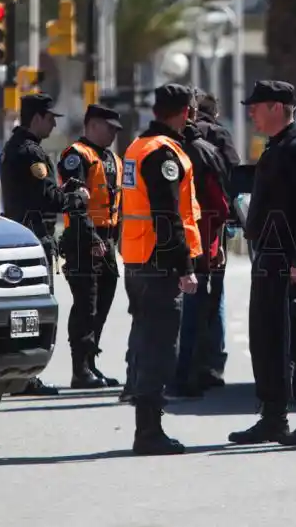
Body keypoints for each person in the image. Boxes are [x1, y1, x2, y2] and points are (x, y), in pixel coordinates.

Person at [228, 80, 296, 446]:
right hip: (270, 261)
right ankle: (274, 419)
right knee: (269, 343)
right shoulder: (277, 148)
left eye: (255, 107)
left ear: (276, 107)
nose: (250, 113)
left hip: (294, 265)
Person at [120, 83, 202, 455]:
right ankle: (149, 432)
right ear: (184, 112)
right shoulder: (163, 154)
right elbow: (167, 215)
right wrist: (184, 266)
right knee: (159, 346)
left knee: (144, 340)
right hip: (159, 262)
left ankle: (146, 426)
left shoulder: (138, 147)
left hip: (138, 258)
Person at [1, 93, 90, 396]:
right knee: (34, 313)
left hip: (24, 236)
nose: (54, 124)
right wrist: (75, 198)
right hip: (34, 239)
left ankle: (22, 375)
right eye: (51, 118)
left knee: (27, 311)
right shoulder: (30, 153)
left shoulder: (17, 148)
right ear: (37, 117)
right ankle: (25, 376)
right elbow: (46, 197)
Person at [57, 104, 124, 389]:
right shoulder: (76, 156)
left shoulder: (112, 158)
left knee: (102, 304)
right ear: (93, 125)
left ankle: (91, 365)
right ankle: (79, 369)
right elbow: (75, 205)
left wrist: (112, 241)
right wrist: (92, 238)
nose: (113, 133)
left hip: (106, 240)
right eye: (109, 127)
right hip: (84, 239)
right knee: (86, 304)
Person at [174, 98, 231, 397]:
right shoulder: (212, 145)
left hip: (158, 245)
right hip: (203, 243)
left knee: (169, 312)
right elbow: (221, 203)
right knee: (205, 307)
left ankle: (166, 375)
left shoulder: (156, 147)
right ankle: (202, 371)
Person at [189, 90, 239, 389]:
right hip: (213, 229)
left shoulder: (180, 137)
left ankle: (188, 363)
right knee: (214, 297)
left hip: (183, 230)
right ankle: (212, 366)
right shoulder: (219, 136)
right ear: (215, 113)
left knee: (185, 298)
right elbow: (233, 177)